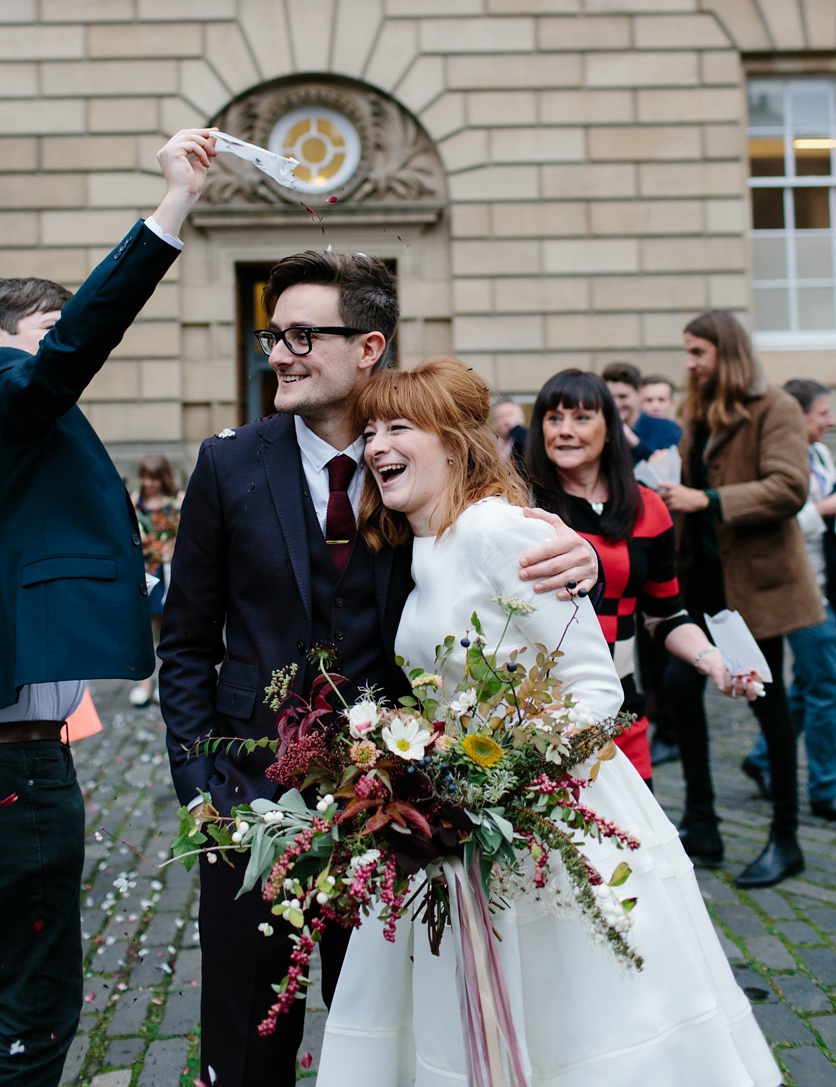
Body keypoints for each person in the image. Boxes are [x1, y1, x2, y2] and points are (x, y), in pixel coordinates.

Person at [157, 252, 600, 1087]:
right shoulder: (228, 463)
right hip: (247, 799)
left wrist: (584, 559)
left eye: (300, 335)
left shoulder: (420, 465)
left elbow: (505, 547)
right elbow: (184, 641)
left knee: (389, 1043)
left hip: (399, 809)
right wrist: (200, 786)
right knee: (246, 1043)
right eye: (271, 335)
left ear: (367, 346)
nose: (279, 354)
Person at [315, 356, 779, 1087]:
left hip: (546, 816)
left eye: (399, 427)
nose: (376, 446)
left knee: (575, 1024)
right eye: (370, 430)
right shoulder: (418, 544)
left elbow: (596, 692)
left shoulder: (503, 531)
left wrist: (492, 777)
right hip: (456, 822)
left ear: (456, 443)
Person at [0, 127, 217, 1087]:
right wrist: (173, 204)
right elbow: (80, 342)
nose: (62, 346)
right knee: (37, 1009)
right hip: (3, 769)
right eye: (45, 329)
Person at [525, 368, 753, 787]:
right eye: (553, 418)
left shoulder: (649, 508)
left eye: (581, 417)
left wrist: (715, 661)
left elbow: (665, 613)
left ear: (611, 428)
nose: (565, 431)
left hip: (621, 705)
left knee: (634, 846)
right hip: (541, 711)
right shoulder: (524, 508)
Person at [657, 311, 822, 888]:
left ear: (727, 353)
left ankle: (786, 839)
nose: (691, 363)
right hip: (699, 581)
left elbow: (788, 486)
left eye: (699, 352)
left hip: (756, 587)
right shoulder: (696, 410)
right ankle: (701, 824)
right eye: (687, 351)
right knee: (679, 688)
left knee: (767, 704)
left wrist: (707, 499)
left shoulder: (773, 406)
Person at [743, 379, 836, 821]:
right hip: (798, 591)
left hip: (826, 584)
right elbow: (782, 523)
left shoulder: (820, 455)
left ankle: (761, 759)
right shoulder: (776, 459)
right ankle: (826, 788)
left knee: (811, 685)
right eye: (822, 413)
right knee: (825, 688)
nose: (830, 420)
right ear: (797, 416)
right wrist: (826, 509)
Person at [129, 453, 183, 708]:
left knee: (166, 631)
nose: (148, 483)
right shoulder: (134, 502)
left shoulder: (176, 502)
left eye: (153, 478)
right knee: (142, 629)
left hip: (167, 573)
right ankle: (144, 683)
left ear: (163, 478)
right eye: (144, 477)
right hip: (143, 573)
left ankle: (163, 682)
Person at [602, 361, 682, 463]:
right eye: (611, 397)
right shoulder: (602, 429)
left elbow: (669, 467)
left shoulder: (666, 428)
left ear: (639, 393)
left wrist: (636, 443)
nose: (616, 404)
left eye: (623, 397)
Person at [490, 395, 527, 464]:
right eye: (502, 416)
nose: (507, 421)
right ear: (494, 424)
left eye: (511, 415)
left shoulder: (526, 441)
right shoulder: (491, 447)